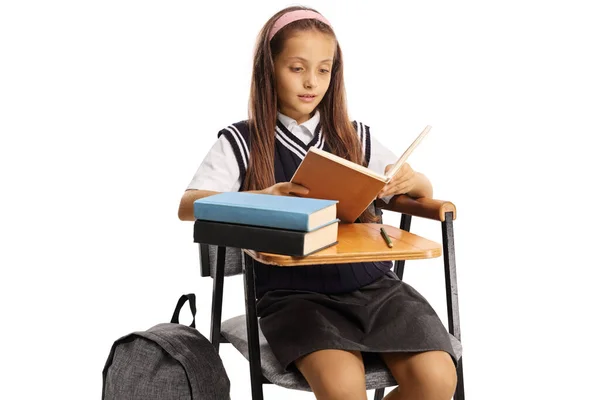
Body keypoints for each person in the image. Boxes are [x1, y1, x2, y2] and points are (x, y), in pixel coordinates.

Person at [178, 6, 457, 400]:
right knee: (343, 388)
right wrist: (261, 197)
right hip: (294, 295)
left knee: (438, 378)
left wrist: (414, 179)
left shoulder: (354, 136)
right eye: (297, 68)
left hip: (373, 287)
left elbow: (410, 190)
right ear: (269, 68)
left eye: (324, 70)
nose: (312, 82)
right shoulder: (241, 141)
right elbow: (188, 205)